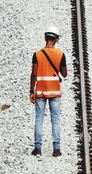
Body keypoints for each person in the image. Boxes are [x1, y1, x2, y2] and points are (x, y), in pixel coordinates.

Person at [29, 26, 67, 157]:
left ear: (45, 38)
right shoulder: (60, 54)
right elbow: (64, 74)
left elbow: (33, 74)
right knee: (55, 119)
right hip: (55, 91)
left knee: (39, 119)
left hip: (40, 91)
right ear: (56, 40)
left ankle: (37, 149)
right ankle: (56, 149)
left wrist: (31, 91)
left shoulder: (37, 54)